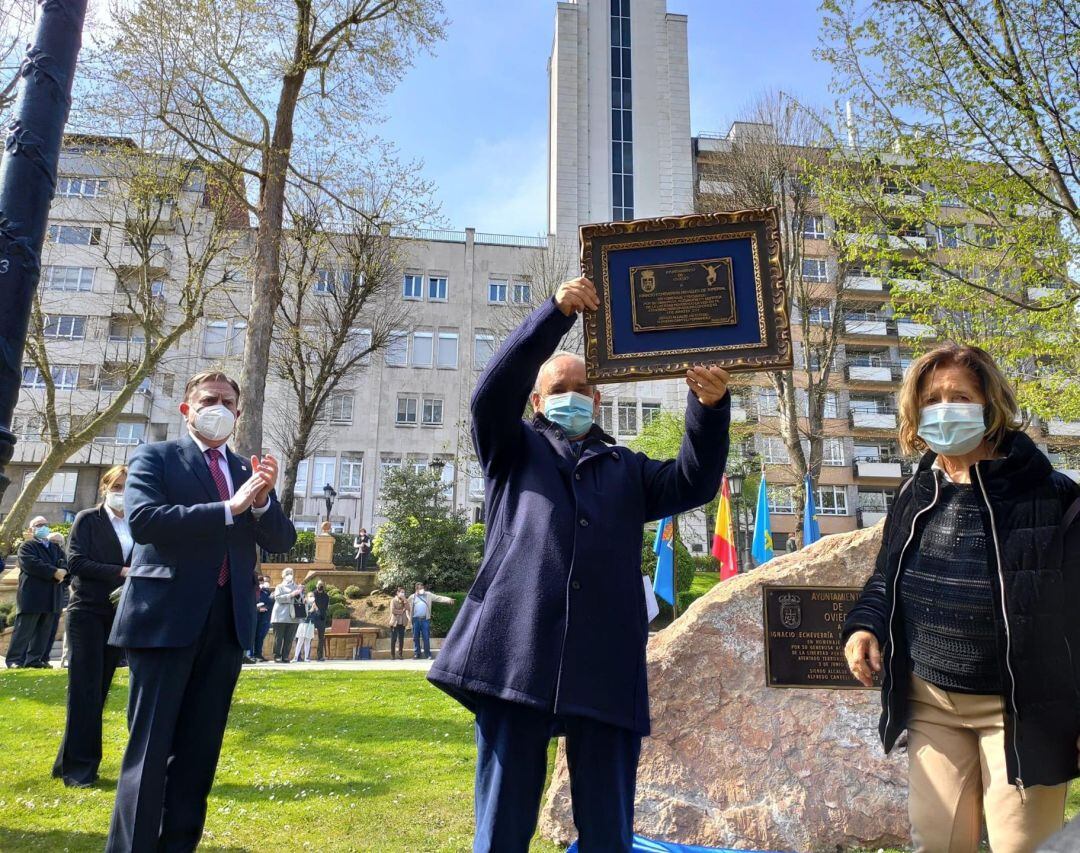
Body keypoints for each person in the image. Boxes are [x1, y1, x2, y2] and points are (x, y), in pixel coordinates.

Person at [428, 277, 731, 852]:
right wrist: (555, 313)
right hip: (516, 653)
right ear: (538, 401)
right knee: (501, 827)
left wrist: (709, 409)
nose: (573, 394)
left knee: (609, 830)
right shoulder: (511, 448)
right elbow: (490, 396)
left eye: (583, 387)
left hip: (605, 661)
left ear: (598, 401)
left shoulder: (627, 466)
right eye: (558, 387)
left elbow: (694, 481)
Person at [842, 344, 1080, 853]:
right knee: (939, 844)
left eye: (960, 396)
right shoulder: (914, 494)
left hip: (1021, 714)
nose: (944, 408)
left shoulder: (1051, 496)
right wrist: (864, 625)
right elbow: (886, 578)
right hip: (932, 705)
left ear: (989, 406)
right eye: (932, 399)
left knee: (1024, 847)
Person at [105, 370, 296, 853]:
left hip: (226, 624)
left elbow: (282, 539)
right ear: (187, 409)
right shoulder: (156, 457)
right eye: (209, 399)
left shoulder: (243, 469)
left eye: (229, 401)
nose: (220, 407)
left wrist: (260, 503)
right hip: (165, 620)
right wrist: (229, 508)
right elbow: (146, 521)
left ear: (238, 412)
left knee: (198, 754)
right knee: (149, 752)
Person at [52, 466, 130, 787]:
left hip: (116, 614)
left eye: (129, 487)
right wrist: (121, 571)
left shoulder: (136, 524)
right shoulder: (87, 519)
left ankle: (68, 760)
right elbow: (77, 562)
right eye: (118, 486)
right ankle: (80, 769)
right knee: (84, 688)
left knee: (97, 690)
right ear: (105, 488)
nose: (122, 492)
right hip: (87, 611)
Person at [6, 516, 67, 669]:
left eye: (45, 524)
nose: (43, 527)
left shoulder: (56, 548)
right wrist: (54, 572)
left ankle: (35, 660)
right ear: (31, 529)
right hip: (32, 596)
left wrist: (64, 571)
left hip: (52, 596)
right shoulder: (27, 546)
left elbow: (64, 563)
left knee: (44, 632)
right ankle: (15, 660)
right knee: (24, 631)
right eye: (38, 525)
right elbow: (31, 564)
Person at [409, 581, 452, 660]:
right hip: (415, 620)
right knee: (415, 637)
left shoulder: (428, 595)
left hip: (425, 619)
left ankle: (427, 654)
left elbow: (438, 598)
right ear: (416, 589)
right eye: (419, 588)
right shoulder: (412, 597)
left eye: (422, 588)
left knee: (426, 637)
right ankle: (417, 654)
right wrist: (409, 618)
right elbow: (408, 608)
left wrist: (448, 599)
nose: (421, 589)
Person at [271, 568, 304, 663]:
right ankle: (277, 655)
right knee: (279, 638)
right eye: (287, 573)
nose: (290, 575)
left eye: (291, 573)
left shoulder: (297, 587)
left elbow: (301, 601)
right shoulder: (279, 587)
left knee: (289, 638)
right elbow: (278, 598)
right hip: (280, 616)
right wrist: (291, 594)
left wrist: (299, 593)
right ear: (283, 575)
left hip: (293, 616)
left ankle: (285, 656)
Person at [250, 575, 273, 662]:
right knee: (252, 635)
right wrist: (257, 608)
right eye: (259, 582)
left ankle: (258, 654)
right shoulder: (252, 590)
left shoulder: (266, 592)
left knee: (260, 636)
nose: (261, 584)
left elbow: (270, 602)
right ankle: (250, 655)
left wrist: (266, 607)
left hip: (263, 616)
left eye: (262, 582)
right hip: (254, 615)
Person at [292, 592, 317, 662]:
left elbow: (318, 615)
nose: (311, 597)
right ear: (307, 597)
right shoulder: (304, 603)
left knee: (308, 641)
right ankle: (295, 657)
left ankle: (306, 658)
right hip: (303, 623)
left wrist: (316, 609)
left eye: (312, 596)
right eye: (310, 596)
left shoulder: (315, 604)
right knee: (300, 641)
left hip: (311, 624)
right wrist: (310, 610)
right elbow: (303, 613)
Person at [389, 587, 410, 660]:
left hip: (402, 622)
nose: (402, 593)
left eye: (403, 592)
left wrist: (405, 600)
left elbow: (408, 609)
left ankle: (400, 654)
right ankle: (392, 655)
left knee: (401, 639)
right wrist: (401, 611)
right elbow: (393, 610)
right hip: (395, 622)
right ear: (397, 593)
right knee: (393, 639)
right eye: (401, 592)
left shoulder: (405, 601)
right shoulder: (393, 600)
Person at [312, 580, 329, 661]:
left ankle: (320, 656)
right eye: (319, 584)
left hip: (322, 618)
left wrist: (323, 615)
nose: (320, 586)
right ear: (316, 585)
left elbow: (326, 607)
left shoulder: (326, 596)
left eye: (322, 585)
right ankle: (305, 656)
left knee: (321, 638)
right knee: (308, 637)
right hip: (313, 618)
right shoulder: (312, 595)